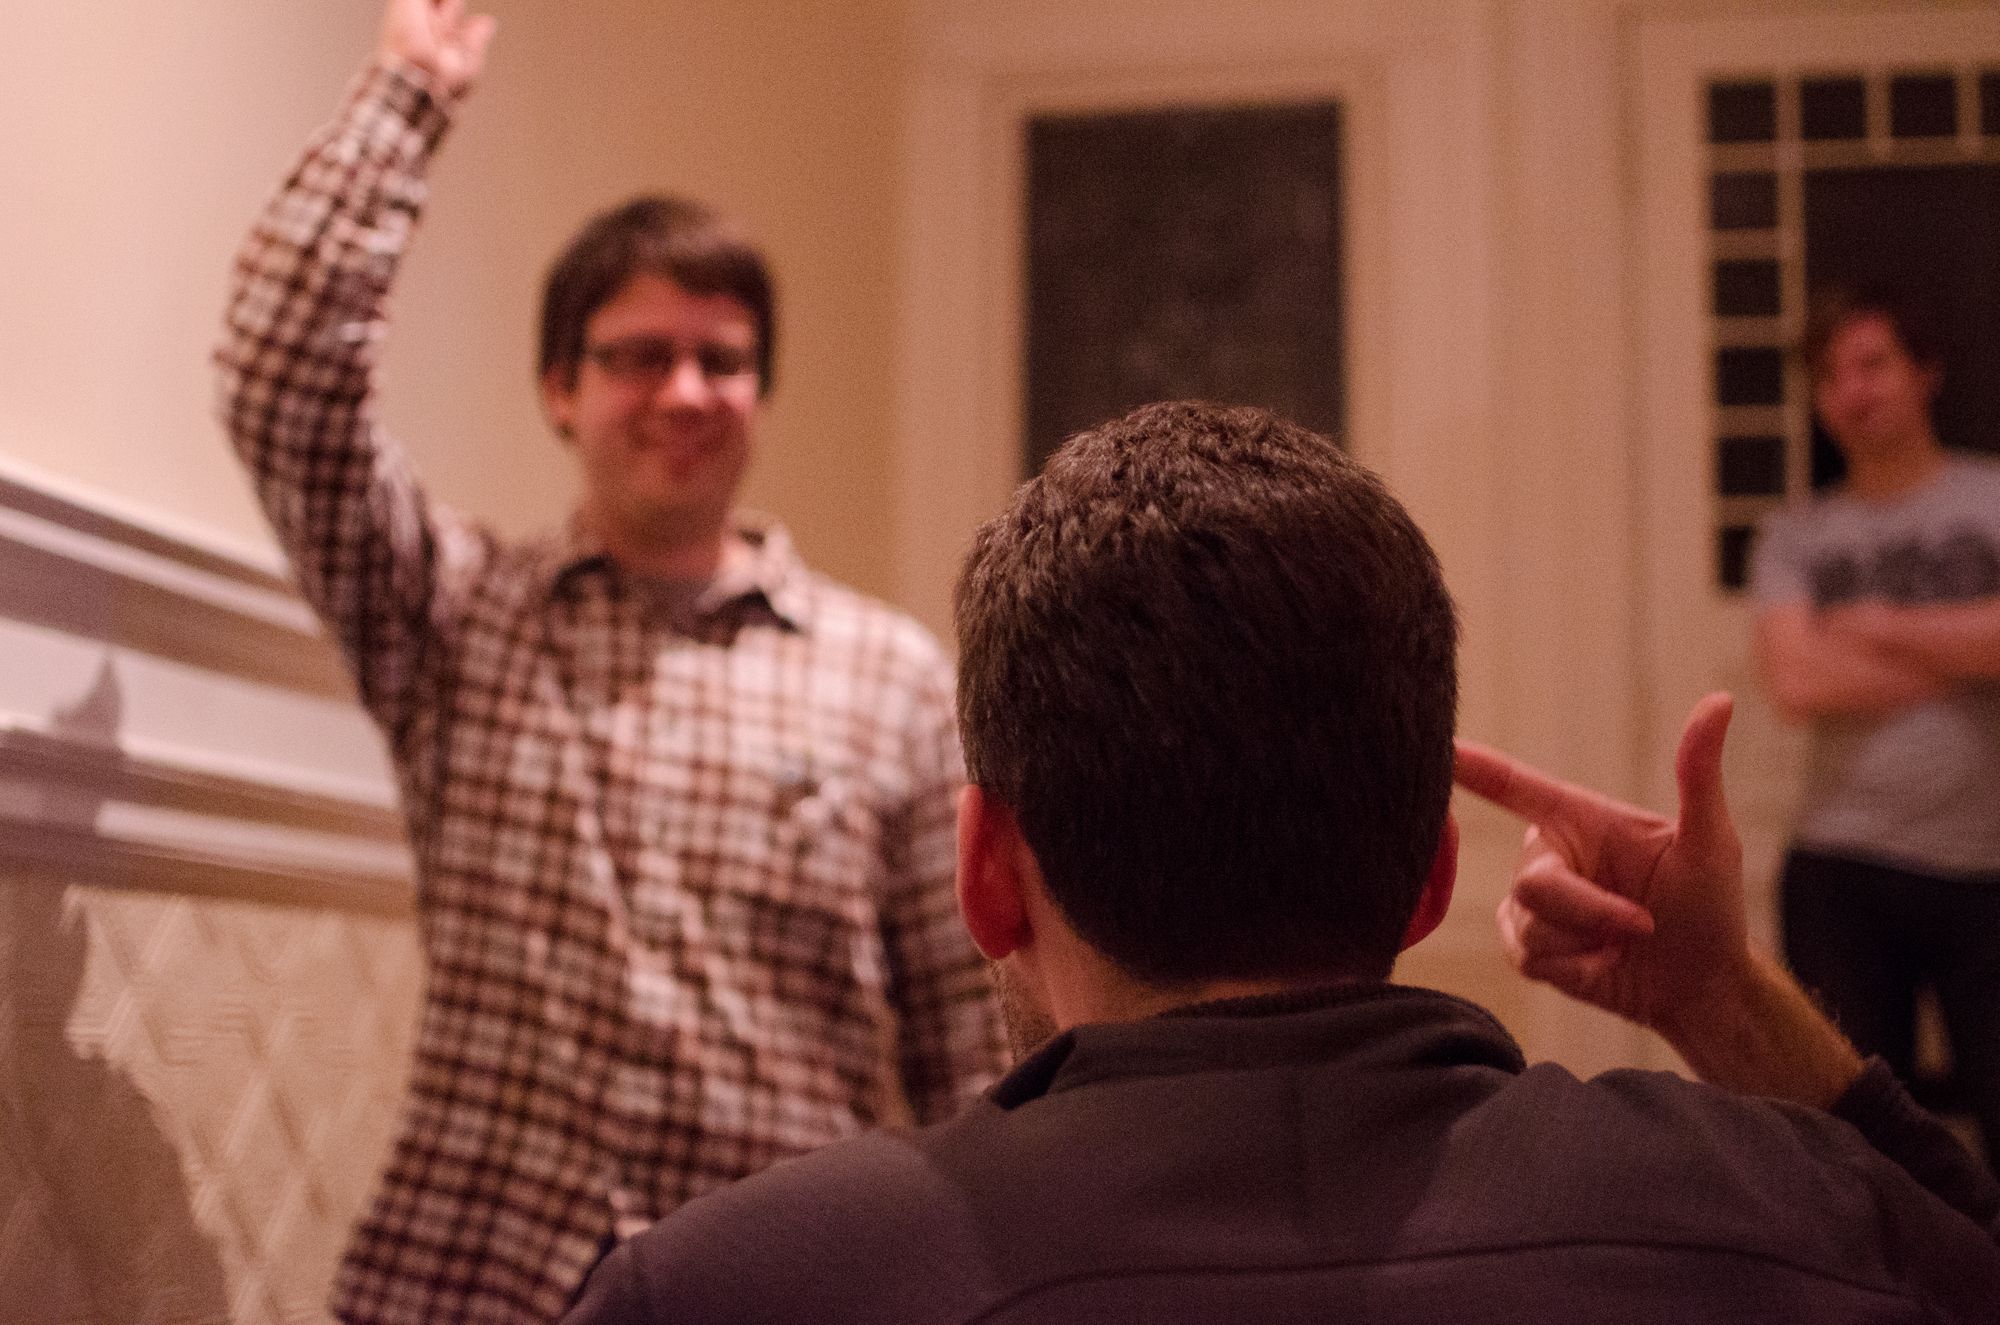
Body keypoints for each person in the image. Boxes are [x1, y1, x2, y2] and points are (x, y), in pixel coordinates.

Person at [564, 400, 2000, 1324]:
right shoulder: (1803, 1220)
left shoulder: (727, 1287)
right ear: (1429, 874)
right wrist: (1720, 997)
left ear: (986, 871)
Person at [214, 2, 1005, 1320]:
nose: (685, 392)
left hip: (777, 1294)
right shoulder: (451, 614)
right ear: (559, 388)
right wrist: (407, 97)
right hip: (465, 1286)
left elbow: (969, 1060)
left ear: (759, 392)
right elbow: (277, 381)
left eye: (722, 360)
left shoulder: (897, 680)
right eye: (639, 357)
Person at [1751, 284, 2000, 1162]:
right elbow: (1798, 679)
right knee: (1857, 1148)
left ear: (1924, 371)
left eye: (1873, 364)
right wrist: (1966, 652)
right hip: (1840, 870)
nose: (1853, 392)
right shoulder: (1795, 533)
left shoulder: (1990, 497)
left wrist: (1881, 628)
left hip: (1987, 868)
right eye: (1829, 376)